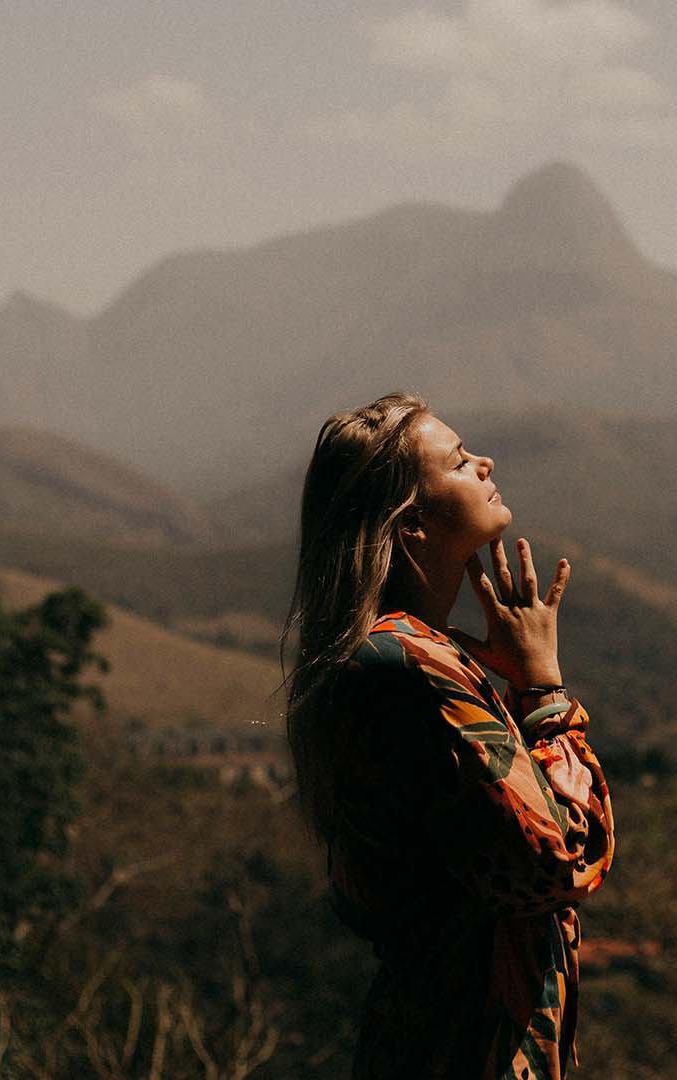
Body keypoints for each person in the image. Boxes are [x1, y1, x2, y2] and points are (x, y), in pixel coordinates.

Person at [284, 392, 616, 1079]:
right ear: (411, 526)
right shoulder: (405, 664)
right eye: (461, 462)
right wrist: (546, 694)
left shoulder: (407, 658)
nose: (487, 462)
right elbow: (557, 861)